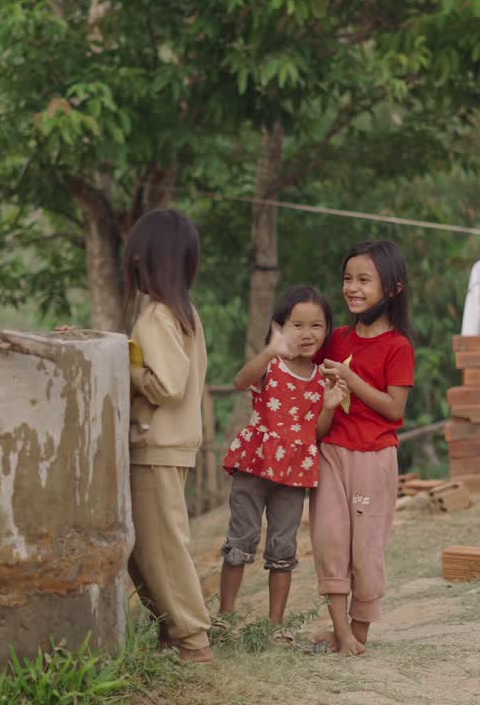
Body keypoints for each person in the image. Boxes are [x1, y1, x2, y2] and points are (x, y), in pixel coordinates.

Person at [217, 286, 347, 634]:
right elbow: (239, 382)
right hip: (256, 464)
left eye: (316, 326)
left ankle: (274, 627)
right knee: (241, 539)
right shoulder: (271, 364)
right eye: (297, 325)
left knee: (283, 546)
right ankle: (224, 617)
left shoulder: (322, 379)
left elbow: (316, 431)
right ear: (279, 327)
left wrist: (330, 406)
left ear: (327, 329)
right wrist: (269, 351)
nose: (307, 334)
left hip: (294, 473)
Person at [311, 240, 415, 657]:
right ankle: (342, 633)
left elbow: (394, 408)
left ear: (392, 288)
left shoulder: (398, 347)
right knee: (329, 539)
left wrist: (353, 383)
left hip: (374, 459)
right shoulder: (334, 339)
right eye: (347, 279)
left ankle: (358, 633)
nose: (352, 288)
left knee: (365, 549)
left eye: (363, 280)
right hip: (332, 452)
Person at [124, 208, 214, 663]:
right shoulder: (182, 313)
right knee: (143, 547)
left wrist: (128, 367)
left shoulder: (156, 318)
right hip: (166, 444)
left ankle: (193, 641)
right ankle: (171, 634)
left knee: (161, 547)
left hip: (155, 444)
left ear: (145, 259)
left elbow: (166, 384)